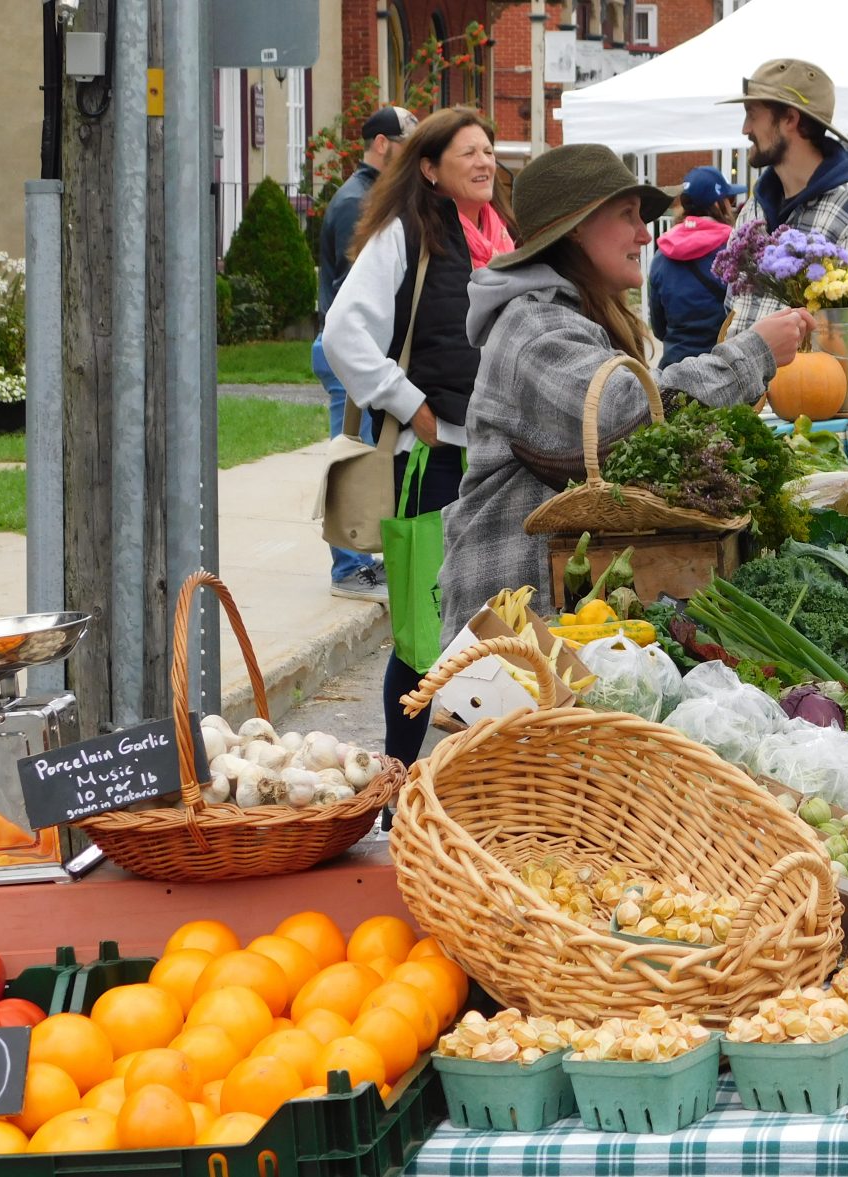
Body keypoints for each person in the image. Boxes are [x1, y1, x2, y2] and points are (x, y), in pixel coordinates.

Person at [438, 144, 814, 640]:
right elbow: (627, 412)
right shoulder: (532, 328)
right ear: (575, 227)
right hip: (510, 622)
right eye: (626, 216)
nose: (643, 234)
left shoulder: (580, 316)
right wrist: (751, 354)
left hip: (555, 616)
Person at [322, 106, 514, 766]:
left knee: (496, 632)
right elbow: (343, 333)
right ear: (429, 169)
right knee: (420, 633)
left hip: (500, 459)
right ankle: (398, 785)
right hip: (429, 459)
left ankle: (477, 785)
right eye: (468, 152)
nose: (485, 162)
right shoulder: (406, 234)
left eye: (489, 150)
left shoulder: (504, 236)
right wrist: (412, 407)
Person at [314, 105, 417, 602]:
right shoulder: (360, 201)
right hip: (347, 351)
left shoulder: (365, 195)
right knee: (354, 455)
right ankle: (349, 567)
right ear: (382, 143)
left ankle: (360, 559)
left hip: (358, 350)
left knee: (366, 450)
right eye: (406, 142)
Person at [720, 59, 848, 334]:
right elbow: (733, 310)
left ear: (790, 119)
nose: (745, 129)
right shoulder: (754, 209)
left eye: (752, 114)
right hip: (738, 376)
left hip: (814, 378)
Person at [648, 166, 746, 368]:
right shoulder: (734, 250)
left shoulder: (662, 253)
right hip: (723, 370)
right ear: (719, 205)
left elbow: (658, 328)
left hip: (673, 372)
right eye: (730, 200)